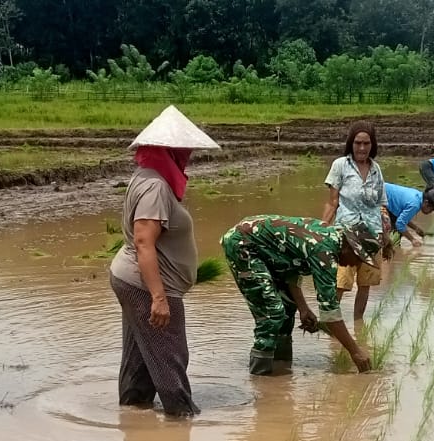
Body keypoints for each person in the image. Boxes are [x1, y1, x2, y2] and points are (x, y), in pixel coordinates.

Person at [108, 105, 220, 417]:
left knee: (140, 361)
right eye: (184, 149)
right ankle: (181, 417)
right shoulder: (156, 186)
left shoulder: (147, 176)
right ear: (170, 150)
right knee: (170, 358)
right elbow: (144, 241)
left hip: (131, 280)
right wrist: (158, 297)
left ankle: (133, 420)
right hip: (147, 286)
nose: (189, 155)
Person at [220, 215, 382, 376]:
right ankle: (261, 378)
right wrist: (355, 352)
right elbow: (329, 312)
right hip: (244, 244)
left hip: (266, 250)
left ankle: (281, 369)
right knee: (272, 312)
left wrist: (303, 308)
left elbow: (291, 267)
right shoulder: (324, 250)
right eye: (358, 258)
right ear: (349, 246)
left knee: (288, 307)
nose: (356, 264)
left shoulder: (332, 240)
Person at [321, 120, 391, 322]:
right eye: (358, 143)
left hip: (372, 234)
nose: (362, 148)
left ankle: (359, 327)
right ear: (351, 143)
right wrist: (323, 228)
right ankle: (331, 324)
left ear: (373, 145)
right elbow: (332, 202)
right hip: (346, 233)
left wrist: (386, 237)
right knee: (340, 282)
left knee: (365, 283)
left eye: (366, 143)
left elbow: (381, 206)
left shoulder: (376, 169)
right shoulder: (340, 165)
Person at [383, 183, 434, 248]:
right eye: (432, 209)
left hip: (382, 193)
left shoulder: (418, 196)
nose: (431, 212)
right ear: (426, 202)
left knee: (395, 233)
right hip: (378, 196)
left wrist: (416, 228)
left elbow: (402, 217)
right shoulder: (415, 205)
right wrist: (412, 240)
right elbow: (400, 224)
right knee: (392, 236)